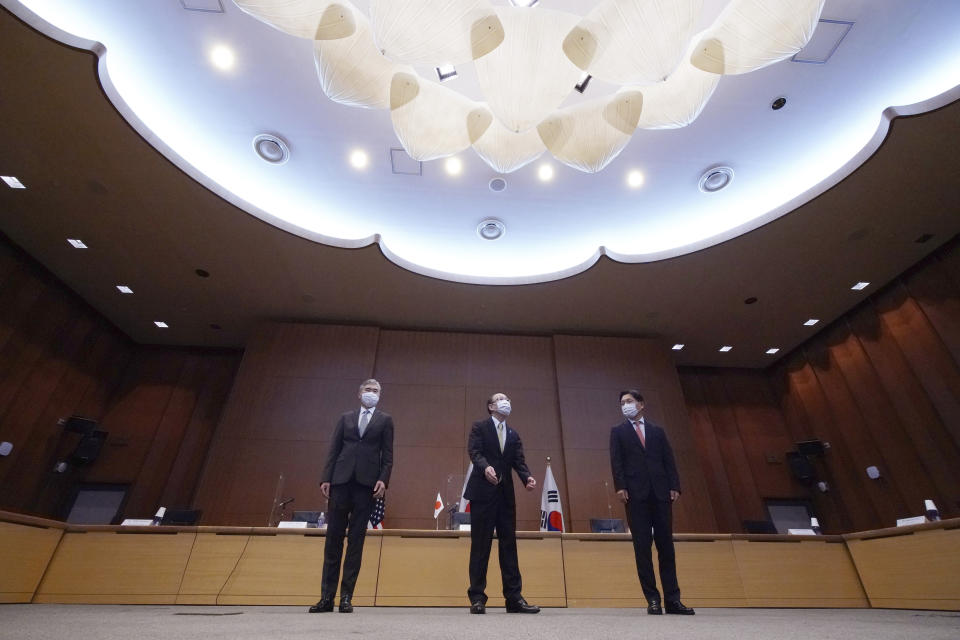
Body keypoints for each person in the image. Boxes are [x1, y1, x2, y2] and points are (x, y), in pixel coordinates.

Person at [309, 379, 394, 614]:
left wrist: (383, 480)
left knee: (356, 542)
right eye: (368, 390)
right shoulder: (345, 417)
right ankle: (326, 597)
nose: (371, 394)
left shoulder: (385, 420)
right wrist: (326, 477)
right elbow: (333, 449)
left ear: (380, 395)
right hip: (340, 482)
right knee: (333, 540)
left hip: (366, 486)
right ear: (359, 394)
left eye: (376, 391)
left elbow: (388, 455)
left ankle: (346, 597)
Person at [609, 389, 695, 616]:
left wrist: (675, 485)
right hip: (635, 495)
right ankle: (653, 599)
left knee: (666, 547)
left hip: (661, 494)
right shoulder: (617, 432)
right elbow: (616, 461)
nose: (625, 405)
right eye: (622, 403)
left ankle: (673, 600)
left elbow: (669, 459)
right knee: (642, 548)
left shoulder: (658, 431)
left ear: (641, 404)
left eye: (629, 401)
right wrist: (620, 486)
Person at [464, 392, 540, 614]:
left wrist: (528, 478)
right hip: (482, 494)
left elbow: (519, 461)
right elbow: (474, 452)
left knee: (509, 546)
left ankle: (514, 598)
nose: (505, 401)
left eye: (508, 398)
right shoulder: (479, 427)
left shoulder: (513, 434)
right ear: (490, 406)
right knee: (480, 546)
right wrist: (484, 466)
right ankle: (477, 597)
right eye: (500, 398)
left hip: (505, 496)